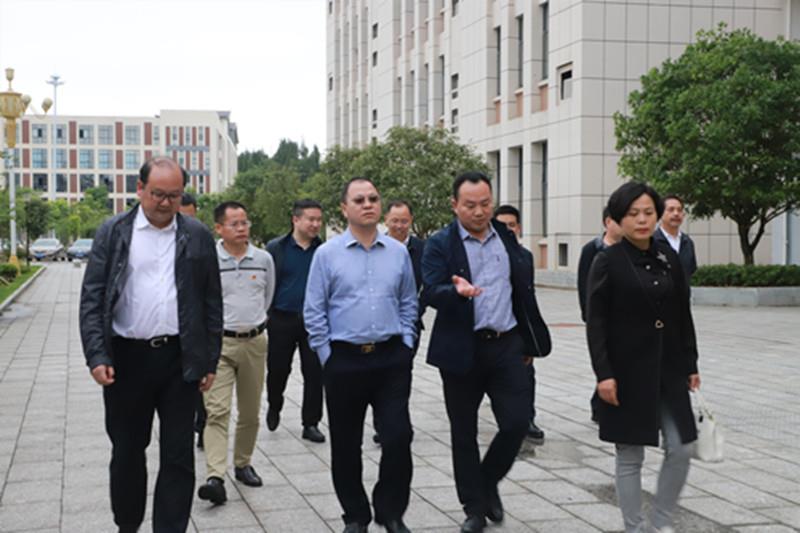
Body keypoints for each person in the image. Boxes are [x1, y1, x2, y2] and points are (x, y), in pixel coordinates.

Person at [79, 156, 222, 533]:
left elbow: (212, 301)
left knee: (178, 455)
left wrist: (209, 360)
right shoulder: (114, 232)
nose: (165, 202)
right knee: (127, 449)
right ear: (140, 189)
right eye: (158, 193)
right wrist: (97, 354)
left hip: (179, 359)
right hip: (127, 360)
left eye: (174, 196)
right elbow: (93, 297)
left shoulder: (197, 235)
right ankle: (127, 524)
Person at [421, 172, 551, 533]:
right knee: (463, 432)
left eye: (485, 204)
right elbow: (429, 291)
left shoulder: (505, 237)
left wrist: (528, 339)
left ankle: (487, 479)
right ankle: (474, 508)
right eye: (470, 205)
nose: (479, 212)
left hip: (507, 344)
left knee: (516, 422)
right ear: (454, 205)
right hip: (462, 348)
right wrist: (455, 291)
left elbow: (521, 288)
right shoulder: (440, 244)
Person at [304, 177, 418, 533]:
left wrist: (406, 342)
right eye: (359, 200)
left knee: (398, 436)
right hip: (344, 361)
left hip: (390, 359)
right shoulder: (327, 255)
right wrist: (327, 355)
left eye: (373, 198)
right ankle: (355, 515)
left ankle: (391, 511)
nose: (368, 204)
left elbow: (408, 301)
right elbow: (314, 310)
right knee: (346, 444)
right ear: (344, 208)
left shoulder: (398, 252)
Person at [586, 182, 700, 533]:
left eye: (649, 212)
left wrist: (691, 363)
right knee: (630, 454)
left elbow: (682, 313)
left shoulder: (668, 257)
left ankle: (660, 522)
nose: (642, 220)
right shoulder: (607, 261)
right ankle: (634, 528)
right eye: (633, 213)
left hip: (670, 369)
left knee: (681, 448)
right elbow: (596, 323)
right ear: (618, 218)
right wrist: (604, 374)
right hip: (627, 372)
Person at [197, 201, 275, 505]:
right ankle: (215, 476)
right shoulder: (208, 260)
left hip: (255, 342)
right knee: (217, 411)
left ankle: (243, 463)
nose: (242, 228)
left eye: (245, 223)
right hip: (219, 344)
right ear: (219, 228)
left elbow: (267, 297)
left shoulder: (264, 259)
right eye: (235, 224)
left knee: (250, 411)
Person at [265, 199, 325, 443]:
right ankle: (274, 405)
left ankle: (311, 423)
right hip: (281, 319)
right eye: (311, 219)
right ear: (296, 220)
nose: (315, 224)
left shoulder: (323, 250)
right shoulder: (276, 248)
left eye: (319, 220)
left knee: (315, 373)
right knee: (278, 370)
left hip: (313, 321)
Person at [372, 199, 425, 445]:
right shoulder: (375, 247)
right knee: (378, 376)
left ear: (411, 221)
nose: (399, 226)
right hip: (379, 325)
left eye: (404, 221)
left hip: (409, 325)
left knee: (402, 375)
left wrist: (414, 311)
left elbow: (429, 285)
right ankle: (381, 425)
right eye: (395, 221)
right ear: (386, 220)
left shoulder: (422, 249)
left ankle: (397, 423)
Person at [493, 204, 544, 444]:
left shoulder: (525, 256)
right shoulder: (487, 256)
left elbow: (528, 297)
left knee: (526, 374)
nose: (508, 230)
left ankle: (528, 418)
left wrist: (531, 337)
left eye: (512, 225)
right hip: (494, 328)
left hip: (518, 328)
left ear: (519, 228)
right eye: (502, 226)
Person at [577, 206, 624, 423]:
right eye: (618, 220)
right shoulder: (592, 249)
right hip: (600, 317)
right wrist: (588, 314)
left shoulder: (628, 248)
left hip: (623, 317)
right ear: (607, 222)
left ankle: (602, 403)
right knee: (606, 361)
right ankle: (599, 404)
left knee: (617, 361)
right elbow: (583, 284)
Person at [653, 194, 697, 280]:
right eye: (671, 210)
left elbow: (691, 270)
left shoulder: (687, 242)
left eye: (679, 210)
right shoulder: (651, 241)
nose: (676, 213)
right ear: (660, 214)